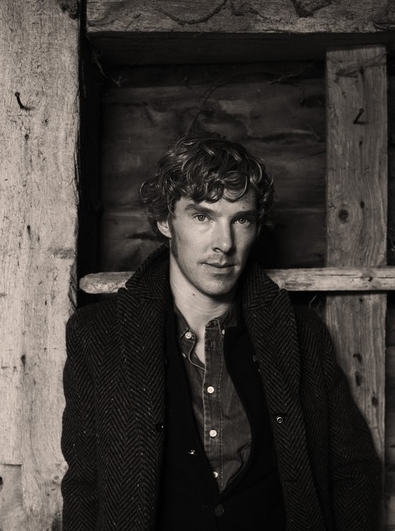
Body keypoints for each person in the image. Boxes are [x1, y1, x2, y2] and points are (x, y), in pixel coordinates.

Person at [61, 134, 381, 530]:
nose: (224, 244)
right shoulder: (99, 335)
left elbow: (352, 469)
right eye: (202, 217)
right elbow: (85, 487)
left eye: (240, 220)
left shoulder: (302, 334)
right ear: (165, 221)